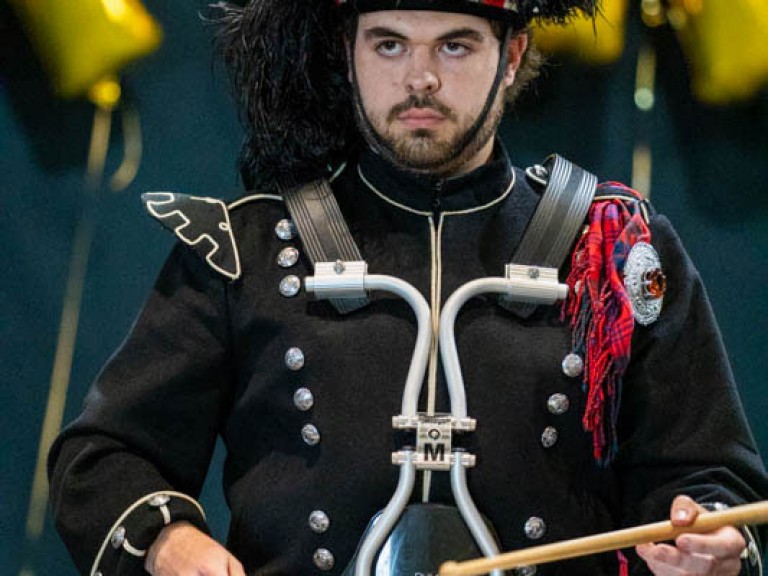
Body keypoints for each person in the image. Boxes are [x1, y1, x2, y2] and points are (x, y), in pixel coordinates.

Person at [49, 1, 768, 575]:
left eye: (454, 46)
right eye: (389, 44)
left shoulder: (612, 251)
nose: (419, 78)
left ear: (512, 55)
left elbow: (713, 481)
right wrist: (168, 541)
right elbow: (103, 458)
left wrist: (709, 548)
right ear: (347, 51)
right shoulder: (250, 251)